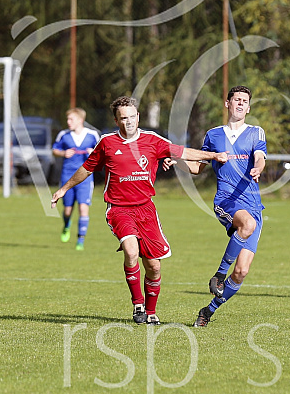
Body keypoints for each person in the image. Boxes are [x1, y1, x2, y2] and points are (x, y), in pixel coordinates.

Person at [51, 96, 228, 326]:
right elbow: (86, 168)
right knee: (131, 251)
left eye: (132, 117)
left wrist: (213, 155)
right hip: (119, 209)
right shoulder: (107, 143)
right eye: (123, 118)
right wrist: (63, 189)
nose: (129, 122)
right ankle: (138, 304)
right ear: (117, 120)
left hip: (146, 210)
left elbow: (183, 153)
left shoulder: (152, 140)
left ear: (138, 117)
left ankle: (151, 311)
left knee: (154, 266)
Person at [176, 85, 266, 328]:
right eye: (236, 99)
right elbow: (196, 167)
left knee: (242, 272)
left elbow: (259, 156)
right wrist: (175, 158)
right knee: (247, 224)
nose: (240, 104)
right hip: (227, 200)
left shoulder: (256, 132)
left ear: (248, 107)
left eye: (244, 101)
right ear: (227, 103)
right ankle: (218, 274)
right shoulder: (213, 135)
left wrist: (258, 167)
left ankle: (207, 311)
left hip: (253, 204)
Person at [52, 108, 100, 251]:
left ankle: (80, 240)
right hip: (67, 177)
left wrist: (94, 153)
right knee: (67, 210)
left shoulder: (92, 135)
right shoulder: (64, 135)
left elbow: (101, 152)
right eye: (67, 119)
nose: (68, 122)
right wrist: (62, 153)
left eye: (71, 119)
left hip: (85, 178)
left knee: (83, 208)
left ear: (80, 120)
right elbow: (54, 150)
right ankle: (66, 225)